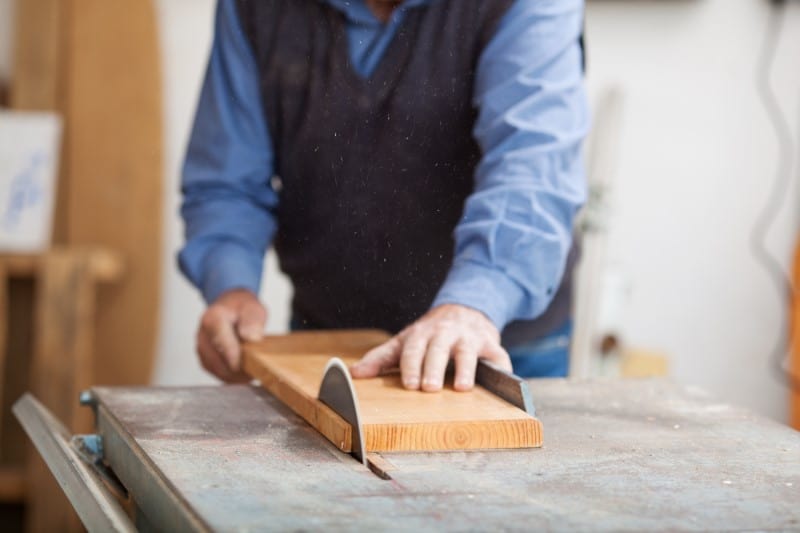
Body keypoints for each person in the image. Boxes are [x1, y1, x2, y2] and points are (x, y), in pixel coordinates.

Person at [180, 0, 589, 391]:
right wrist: (230, 285)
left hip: (494, 338)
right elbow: (225, 178)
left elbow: (532, 170)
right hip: (329, 335)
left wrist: (473, 305)